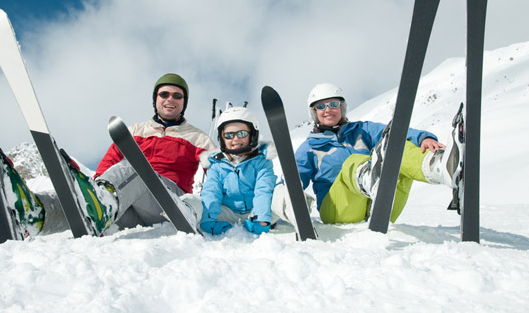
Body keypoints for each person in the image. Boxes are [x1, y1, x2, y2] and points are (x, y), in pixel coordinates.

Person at [13, 73, 216, 236]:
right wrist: (96, 186)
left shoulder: (196, 137)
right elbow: (108, 164)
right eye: (164, 94)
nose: (170, 99)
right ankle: (39, 214)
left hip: (167, 205)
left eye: (177, 96)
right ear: (155, 99)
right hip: (130, 207)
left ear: (184, 102)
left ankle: (100, 207)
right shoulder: (136, 131)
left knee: (134, 169)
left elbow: (219, 172)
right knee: (87, 196)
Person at [295, 83, 462, 225]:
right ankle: (368, 179)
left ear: (342, 107)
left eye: (333, 104)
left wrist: (423, 138)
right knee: (353, 161)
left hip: (380, 207)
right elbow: (292, 182)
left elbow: (398, 132)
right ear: (314, 112)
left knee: (396, 148)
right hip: (339, 211)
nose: (328, 110)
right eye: (321, 106)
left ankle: (442, 168)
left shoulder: (363, 130)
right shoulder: (309, 147)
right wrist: (279, 206)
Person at [181, 106, 308, 235]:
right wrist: (209, 221)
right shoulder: (216, 164)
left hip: (257, 211)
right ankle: (184, 212)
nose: (235, 139)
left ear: (252, 135)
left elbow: (263, 190)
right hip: (226, 213)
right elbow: (212, 192)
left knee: (280, 192)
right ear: (222, 139)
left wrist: (261, 219)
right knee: (195, 200)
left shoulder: (262, 161)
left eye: (241, 134)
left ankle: (298, 214)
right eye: (229, 135)